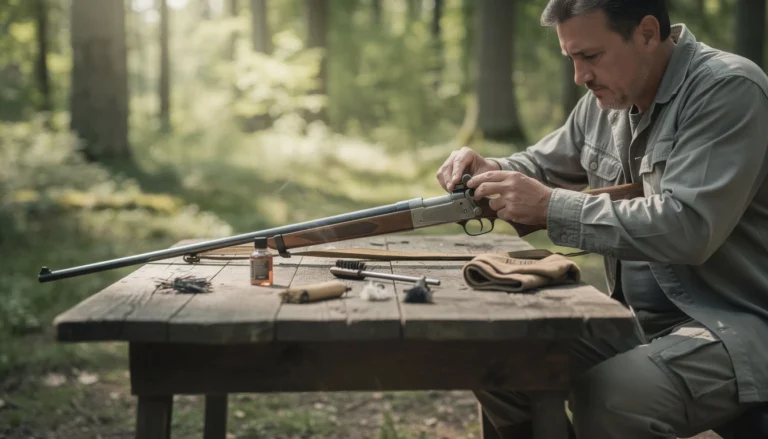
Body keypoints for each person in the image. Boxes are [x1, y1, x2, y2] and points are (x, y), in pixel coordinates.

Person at [436, 1, 768, 438]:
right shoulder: (607, 99)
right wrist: (491, 167)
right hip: (636, 326)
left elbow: (689, 227)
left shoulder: (727, 88)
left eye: (590, 56)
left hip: (738, 326)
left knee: (614, 396)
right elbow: (539, 163)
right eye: (572, 59)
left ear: (648, 33)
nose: (580, 76)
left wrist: (551, 208)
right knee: (502, 358)